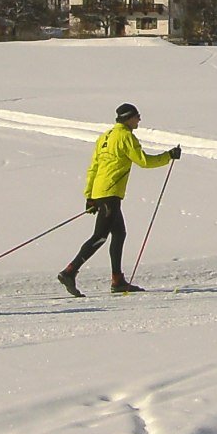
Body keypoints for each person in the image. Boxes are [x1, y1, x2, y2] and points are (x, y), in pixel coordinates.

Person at [59, 102, 180, 296]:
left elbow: (93, 166)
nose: (139, 119)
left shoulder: (105, 137)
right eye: (137, 116)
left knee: (119, 233)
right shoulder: (125, 137)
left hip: (100, 192)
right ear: (128, 118)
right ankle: (70, 271)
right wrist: (169, 156)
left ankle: (117, 280)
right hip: (111, 193)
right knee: (100, 236)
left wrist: (90, 196)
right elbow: (144, 161)